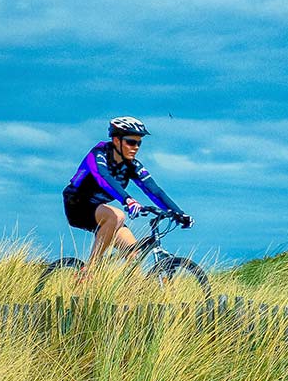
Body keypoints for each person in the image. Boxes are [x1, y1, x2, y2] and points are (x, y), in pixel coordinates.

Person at [62, 116, 191, 274]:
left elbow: (154, 190)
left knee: (133, 254)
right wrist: (127, 200)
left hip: (101, 211)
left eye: (139, 143)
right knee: (117, 215)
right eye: (131, 142)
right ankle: (91, 269)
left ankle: (131, 293)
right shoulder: (98, 154)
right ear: (116, 140)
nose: (136, 147)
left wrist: (179, 213)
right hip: (77, 205)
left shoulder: (133, 165)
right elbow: (104, 178)